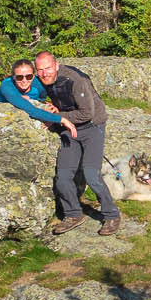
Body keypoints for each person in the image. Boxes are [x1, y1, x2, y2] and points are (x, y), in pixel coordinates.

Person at [34, 52, 118, 236]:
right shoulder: (40, 80)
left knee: (91, 174)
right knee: (63, 177)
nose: (44, 73)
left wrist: (57, 117)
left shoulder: (75, 80)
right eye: (40, 70)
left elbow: (87, 113)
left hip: (92, 127)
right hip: (69, 129)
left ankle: (111, 215)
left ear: (56, 65)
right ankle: (73, 214)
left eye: (47, 68)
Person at [0, 59, 77, 139]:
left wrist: (52, 107)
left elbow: (43, 98)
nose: (24, 80)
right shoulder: (7, 86)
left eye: (28, 76)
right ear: (13, 77)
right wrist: (61, 119)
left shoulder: (38, 85)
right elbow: (30, 110)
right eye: (19, 77)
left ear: (33, 76)